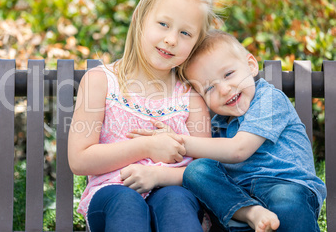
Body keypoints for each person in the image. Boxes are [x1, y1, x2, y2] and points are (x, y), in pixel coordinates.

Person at [129, 29, 326, 231]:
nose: (224, 89)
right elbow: (197, 174)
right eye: (209, 88)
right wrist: (156, 172)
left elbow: (238, 150)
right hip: (238, 200)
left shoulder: (269, 99)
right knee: (197, 170)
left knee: (285, 201)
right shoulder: (218, 126)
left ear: (250, 66)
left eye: (229, 74)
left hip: (286, 186)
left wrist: (178, 141)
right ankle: (249, 213)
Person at [68, 0, 219, 232]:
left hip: (173, 191)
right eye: (163, 24)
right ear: (139, 18)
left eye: (185, 33)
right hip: (112, 194)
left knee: (175, 200)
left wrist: (159, 176)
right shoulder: (101, 82)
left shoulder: (191, 99)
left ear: (196, 43)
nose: (171, 39)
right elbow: (80, 159)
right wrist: (148, 147)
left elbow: (202, 171)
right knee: (125, 202)